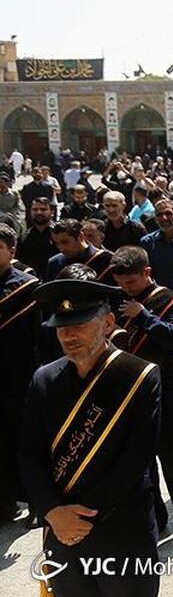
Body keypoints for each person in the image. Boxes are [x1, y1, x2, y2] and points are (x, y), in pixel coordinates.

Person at [20, 279, 162, 597]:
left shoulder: (138, 375)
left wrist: (80, 518)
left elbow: (136, 457)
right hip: (61, 528)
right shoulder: (45, 378)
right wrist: (53, 511)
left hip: (122, 528)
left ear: (109, 322)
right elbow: (29, 454)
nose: (69, 336)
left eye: (80, 325)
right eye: (61, 327)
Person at [109, 245, 173, 548]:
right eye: (122, 283)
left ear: (146, 273)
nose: (127, 288)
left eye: (132, 282)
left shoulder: (168, 300)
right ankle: (155, 518)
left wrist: (144, 317)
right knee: (141, 460)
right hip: (130, 390)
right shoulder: (117, 298)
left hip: (166, 390)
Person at [0, 222, 39, 520]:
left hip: (22, 374)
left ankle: (37, 503)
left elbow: (42, 337)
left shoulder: (27, 287)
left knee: (28, 441)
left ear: (11, 250)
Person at [139, 198, 173, 293]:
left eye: (168, 213)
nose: (164, 218)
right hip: (159, 297)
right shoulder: (147, 242)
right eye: (159, 215)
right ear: (155, 219)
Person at [46, 218, 115, 283]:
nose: (61, 248)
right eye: (56, 243)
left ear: (80, 236)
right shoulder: (55, 263)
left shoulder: (108, 260)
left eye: (65, 242)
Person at [17, 197, 55, 279]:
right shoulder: (24, 237)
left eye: (43, 209)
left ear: (52, 212)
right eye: (35, 209)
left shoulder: (59, 235)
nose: (39, 212)